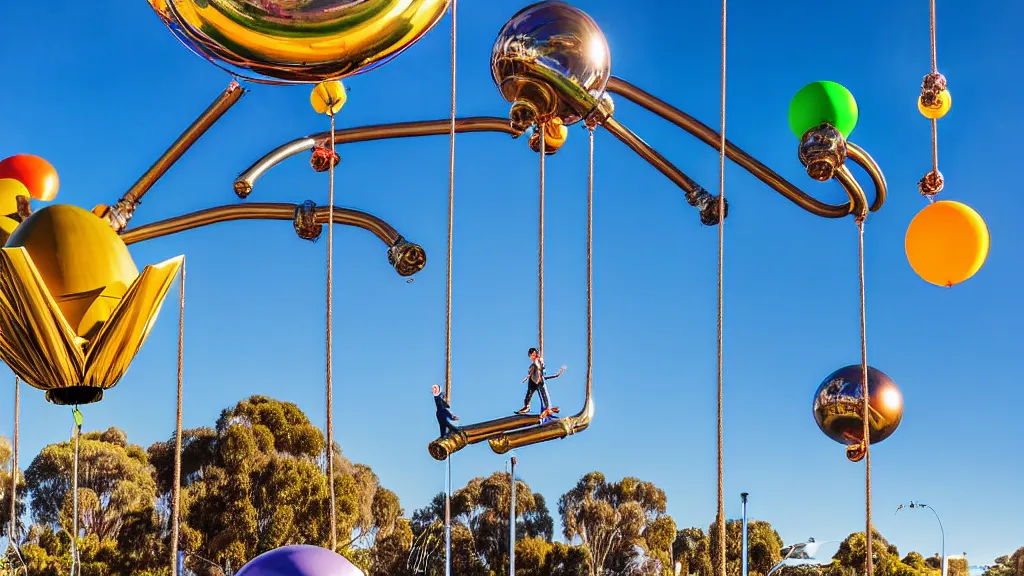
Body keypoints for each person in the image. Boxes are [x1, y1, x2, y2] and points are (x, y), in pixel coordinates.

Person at [515, 347, 565, 416]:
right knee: (529, 393)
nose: (533, 356)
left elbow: (541, 370)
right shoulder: (532, 366)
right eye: (532, 355)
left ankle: (548, 408)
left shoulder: (539, 362)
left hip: (539, 380)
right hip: (533, 380)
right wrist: (528, 376)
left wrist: (557, 374)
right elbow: (531, 372)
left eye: (534, 355)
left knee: (544, 394)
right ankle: (527, 406)